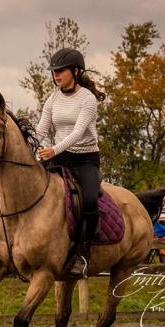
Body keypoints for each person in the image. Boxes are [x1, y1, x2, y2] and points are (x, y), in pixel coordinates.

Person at [35, 48, 106, 277]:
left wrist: (52, 149)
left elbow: (78, 132)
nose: (56, 75)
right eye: (54, 72)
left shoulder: (88, 99)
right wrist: (40, 147)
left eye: (60, 71)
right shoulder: (52, 98)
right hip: (60, 157)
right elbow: (41, 129)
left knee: (90, 200)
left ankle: (84, 254)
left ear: (75, 71)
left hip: (85, 158)